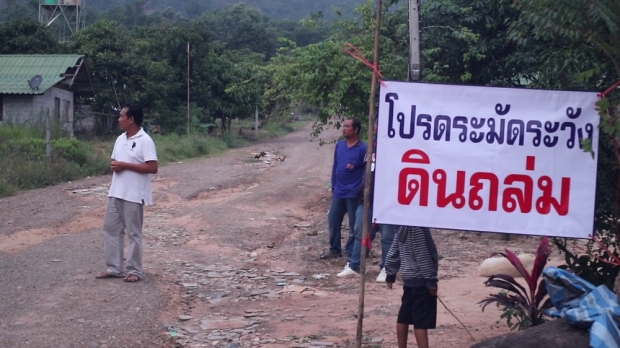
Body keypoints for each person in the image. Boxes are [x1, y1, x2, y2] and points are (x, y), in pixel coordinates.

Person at [96, 103, 158, 283]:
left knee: (134, 234)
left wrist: (125, 166)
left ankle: (134, 270)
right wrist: (117, 165)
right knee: (110, 230)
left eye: (122, 116)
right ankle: (114, 268)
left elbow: (152, 167)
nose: (119, 119)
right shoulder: (120, 139)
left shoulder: (145, 141)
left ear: (131, 119)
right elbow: (117, 161)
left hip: (134, 195)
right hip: (116, 192)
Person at [337, 117, 396, 281]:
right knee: (360, 232)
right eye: (376, 124)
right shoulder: (372, 146)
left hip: (386, 201)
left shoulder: (394, 147)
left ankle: (386, 269)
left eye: (379, 124)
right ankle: (355, 265)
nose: (376, 127)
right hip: (367, 199)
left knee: (387, 236)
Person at [320, 118, 367, 260]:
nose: (344, 129)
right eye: (344, 126)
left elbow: (367, 171)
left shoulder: (363, 148)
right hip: (339, 191)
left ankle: (352, 252)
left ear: (356, 130)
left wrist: (362, 190)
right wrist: (333, 186)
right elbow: (336, 166)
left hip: (353, 193)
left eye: (347, 126)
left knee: (354, 225)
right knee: (333, 220)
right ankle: (335, 249)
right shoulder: (340, 145)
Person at [385, 226, 439, 348]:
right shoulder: (417, 227)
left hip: (408, 278)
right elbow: (422, 253)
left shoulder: (401, 226)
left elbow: (394, 249)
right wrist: (430, 278)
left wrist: (391, 272)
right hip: (421, 279)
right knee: (421, 321)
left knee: (404, 316)